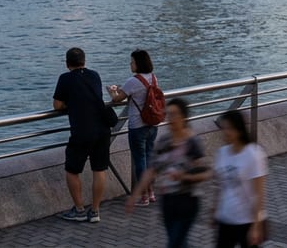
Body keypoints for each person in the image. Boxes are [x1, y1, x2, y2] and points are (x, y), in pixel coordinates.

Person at [126, 98, 211, 248]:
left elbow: (206, 173)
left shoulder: (192, 142)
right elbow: (152, 170)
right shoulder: (164, 141)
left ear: (184, 117)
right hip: (168, 201)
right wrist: (135, 195)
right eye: (168, 114)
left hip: (187, 201)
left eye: (174, 114)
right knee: (178, 241)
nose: (170, 119)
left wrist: (184, 177)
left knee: (174, 243)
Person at [53, 47, 114, 223]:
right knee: (99, 169)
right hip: (102, 129)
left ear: (67, 63)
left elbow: (57, 105)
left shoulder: (65, 78)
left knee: (72, 170)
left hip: (82, 131)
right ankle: (95, 211)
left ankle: (79, 209)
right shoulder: (94, 75)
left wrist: (69, 104)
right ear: (84, 61)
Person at [108, 49, 160, 206]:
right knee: (149, 158)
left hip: (137, 126)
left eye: (132, 61)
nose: (130, 64)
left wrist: (112, 91)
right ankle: (151, 193)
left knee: (140, 161)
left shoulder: (133, 81)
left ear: (138, 63)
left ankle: (143, 196)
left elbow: (118, 99)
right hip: (152, 124)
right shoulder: (153, 78)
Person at [211, 110, 268, 248]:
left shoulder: (254, 154)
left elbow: (259, 194)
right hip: (225, 218)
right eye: (223, 128)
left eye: (229, 128)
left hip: (246, 221)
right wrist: (214, 209)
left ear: (239, 129)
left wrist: (256, 225)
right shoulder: (222, 153)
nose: (225, 132)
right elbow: (221, 185)